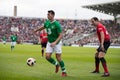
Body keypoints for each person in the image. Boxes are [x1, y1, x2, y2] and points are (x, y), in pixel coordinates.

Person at [34, 10, 67, 77]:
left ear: (53, 15)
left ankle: (64, 72)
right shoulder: (47, 22)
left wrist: (55, 42)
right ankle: (56, 64)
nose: (47, 15)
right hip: (49, 42)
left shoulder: (56, 24)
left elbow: (61, 35)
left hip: (57, 43)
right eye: (47, 14)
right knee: (47, 57)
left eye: (49, 14)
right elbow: (44, 26)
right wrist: (37, 30)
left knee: (58, 58)